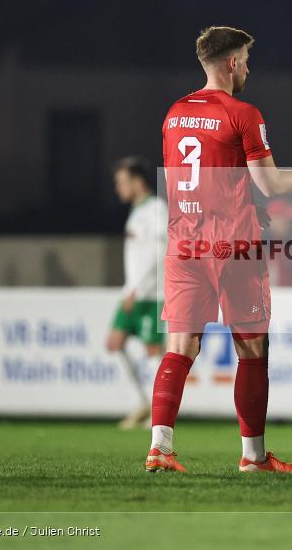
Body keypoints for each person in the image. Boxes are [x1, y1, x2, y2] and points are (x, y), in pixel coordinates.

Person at [146, 26, 292, 474]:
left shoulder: (175, 114)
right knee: (252, 350)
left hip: (184, 245)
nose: (248, 67)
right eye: (247, 59)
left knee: (179, 347)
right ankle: (253, 458)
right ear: (232, 62)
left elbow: (198, 177)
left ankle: (160, 447)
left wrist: (244, 201)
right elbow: (269, 183)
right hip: (235, 247)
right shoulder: (243, 113)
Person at [106, 156, 167, 429]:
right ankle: (143, 401)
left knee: (153, 351)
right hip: (132, 292)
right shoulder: (137, 211)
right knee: (115, 343)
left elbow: (159, 253)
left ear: (137, 181)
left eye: (121, 182)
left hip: (152, 294)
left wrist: (138, 288)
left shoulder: (156, 209)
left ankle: (158, 411)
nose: (118, 188)